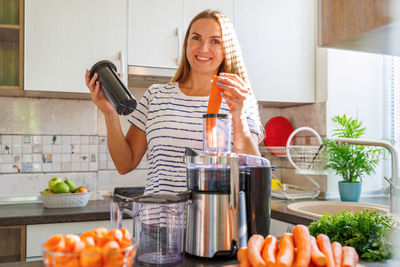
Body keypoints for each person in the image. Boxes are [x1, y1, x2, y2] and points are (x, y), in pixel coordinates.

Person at [85, 10, 264, 195]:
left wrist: (238, 115)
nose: (203, 48)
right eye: (196, 38)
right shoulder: (156, 96)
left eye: (215, 41)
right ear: (186, 43)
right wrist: (110, 114)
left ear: (226, 49)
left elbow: (254, 171)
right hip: (157, 220)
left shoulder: (239, 98)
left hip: (214, 220)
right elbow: (125, 164)